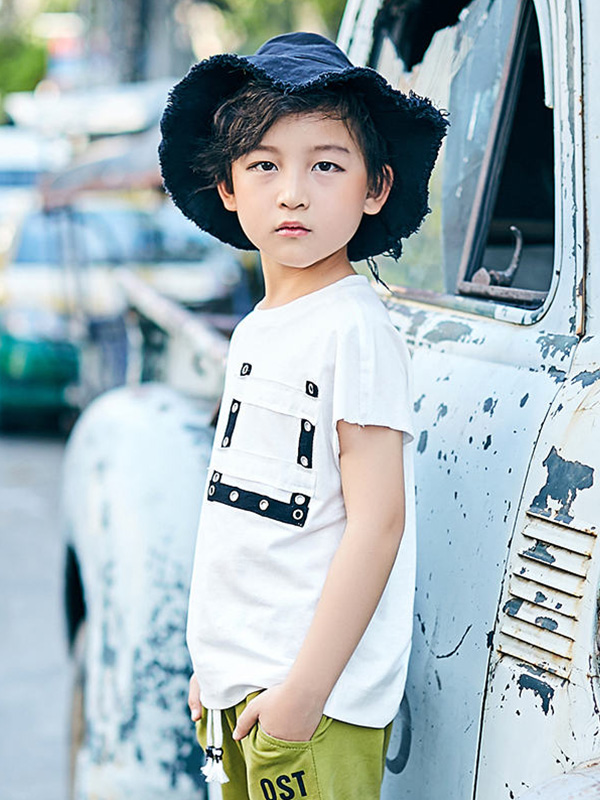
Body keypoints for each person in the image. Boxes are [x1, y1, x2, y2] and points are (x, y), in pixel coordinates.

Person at [158, 31, 448, 800]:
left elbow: (378, 523)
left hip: (310, 703)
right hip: (244, 687)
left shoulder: (354, 329)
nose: (293, 193)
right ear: (227, 186)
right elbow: (244, 519)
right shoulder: (260, 329)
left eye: (326, 165)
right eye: (264, 165)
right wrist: (217, 666)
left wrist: (305, 694)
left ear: (375, 187)